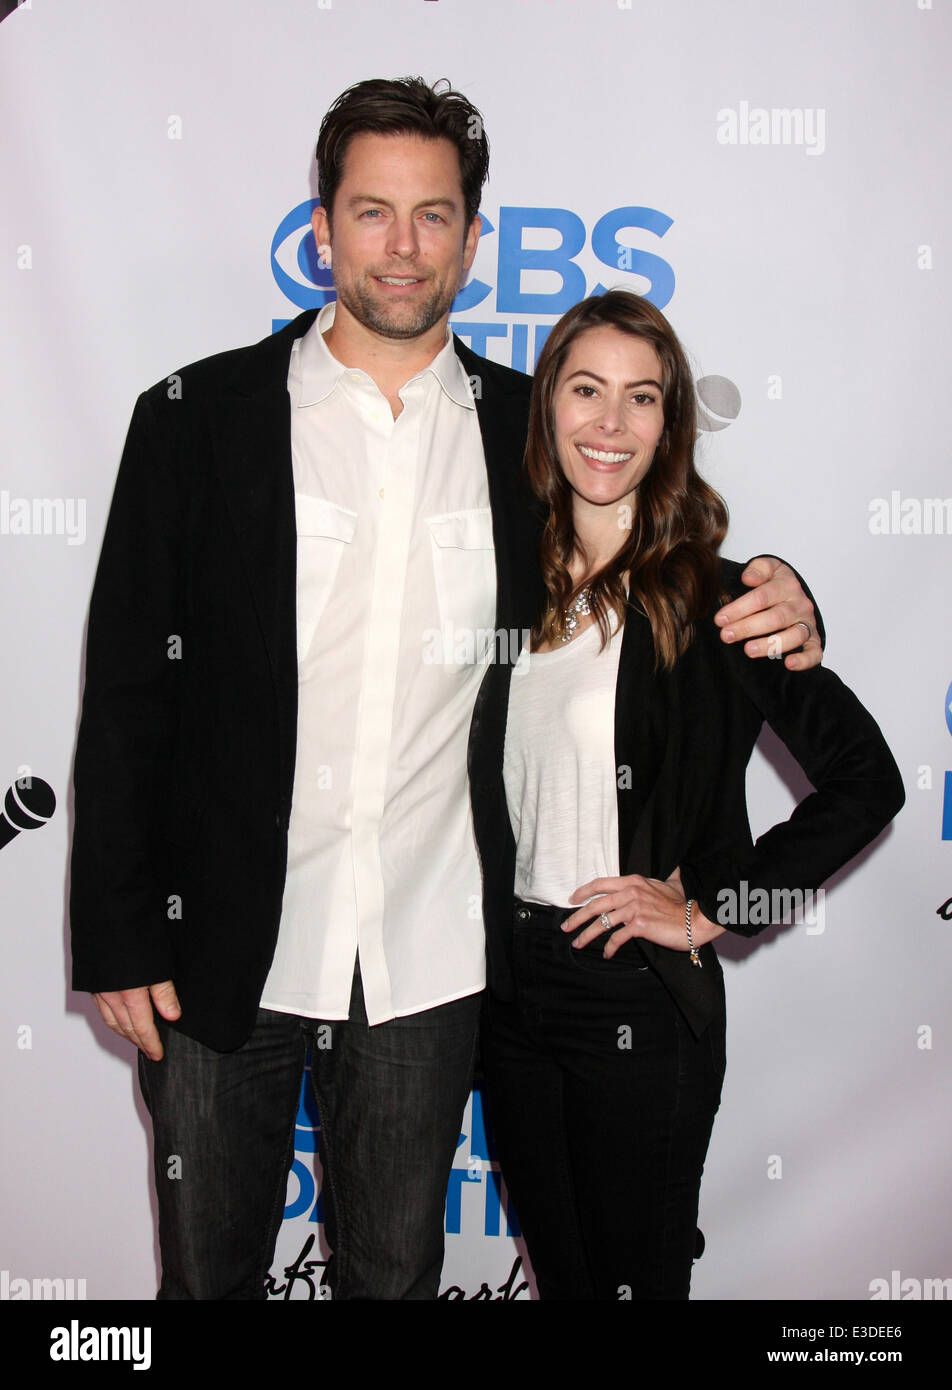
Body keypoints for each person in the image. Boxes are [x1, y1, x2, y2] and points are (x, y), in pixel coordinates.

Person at [69, 78, 823, 1301]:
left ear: (475, 237)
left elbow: (661, 558)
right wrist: (113, 933)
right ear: (321, 227)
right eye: (372, 212)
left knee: (392, 1282)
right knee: (203, 1284)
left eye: (434, 216)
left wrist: (792, 604)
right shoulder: (196, 419)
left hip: (428, 956)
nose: (402, 248)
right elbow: (127, 691)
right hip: (218, 955)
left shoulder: (529, 431)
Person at [469, 289, 905, 1301]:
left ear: (670, 426)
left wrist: (717, 906)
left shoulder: (715, 600)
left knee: (637, 1282)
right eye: (585, 390)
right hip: (506, 989)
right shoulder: (502, 587)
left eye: (641, 398)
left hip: (632, 988)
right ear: (546, 408)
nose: (609, 424)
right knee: (564, 1278)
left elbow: (867, 779)